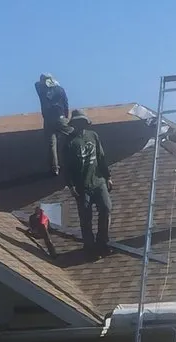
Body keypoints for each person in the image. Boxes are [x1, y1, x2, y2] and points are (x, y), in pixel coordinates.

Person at [64, 110, 113, 256]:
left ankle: (102, 242)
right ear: (74, 124)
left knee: (106, 208)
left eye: (83, 122)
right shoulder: (69, 142)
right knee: (86, 218)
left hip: (98, 181)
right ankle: (90, 247)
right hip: (82, 186)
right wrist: (71, 186)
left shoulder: (93, 136)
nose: (81, 125)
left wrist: (108, 176)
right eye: (78, 122)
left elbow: (101, 157)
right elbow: (66, 167)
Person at [34, 74, 72, 175]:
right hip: (60, 117)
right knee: (73, 134)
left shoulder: (41, 91)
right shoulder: (60, 89)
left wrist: (43, 81)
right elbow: (66, 103)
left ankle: (55, 168)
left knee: (52, 144)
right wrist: (66, 116)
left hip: (48, 120)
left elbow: (36, 84)